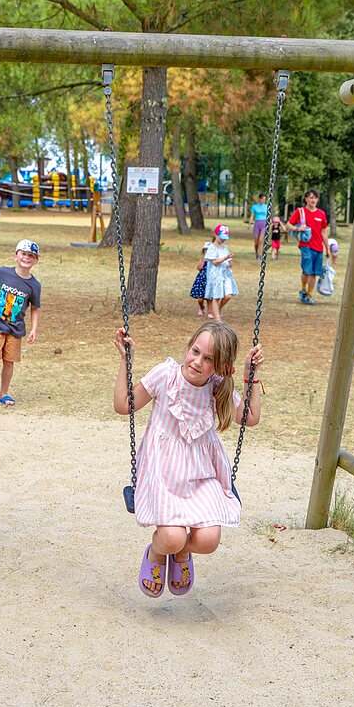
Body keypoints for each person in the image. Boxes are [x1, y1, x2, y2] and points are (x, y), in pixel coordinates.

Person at [113, 321, 265, 597]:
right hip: (163, 472)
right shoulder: (165, 376)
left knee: (208, 541)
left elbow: (249, 418)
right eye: (195, 351)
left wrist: (249, 376)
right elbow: (124, 405)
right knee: (171, 537)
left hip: (201, 473)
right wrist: (126, 360)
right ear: (189, 346)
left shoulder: (217, 388)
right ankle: (159, 553)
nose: (197, 362)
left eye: (208, 359)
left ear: (221, 368)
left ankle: (183, 549)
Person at [0, 239, 42, 408]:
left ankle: (4, 393)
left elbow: (35, 308)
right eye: (23, 254)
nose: (27, 258)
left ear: (36, 260)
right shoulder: (2, 273)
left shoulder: (34, 285)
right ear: (15, 256)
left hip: (15, 329)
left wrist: (34, 328)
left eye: (31, 256)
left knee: (9, 362)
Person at [288, 189, 328, 305]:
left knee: (314, 273)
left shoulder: (321, 214)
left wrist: (328, 249)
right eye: (310, 197)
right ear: (306, 199)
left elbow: (324, 232)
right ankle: (303, 290)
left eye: (315, 198)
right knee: (307, 271)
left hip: (318, 247)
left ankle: (309, 295)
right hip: (306, 246)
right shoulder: (300, 212)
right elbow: (288, 225)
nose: (313, 200)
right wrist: (297, 228)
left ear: (317, 200)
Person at [203, 224, 239, 322]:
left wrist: (230, 261)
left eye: (225, 238)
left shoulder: (225, 247)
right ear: (215, 235)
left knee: (228, 295)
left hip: (225, 274)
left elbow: (228, 261)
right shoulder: (212, 247)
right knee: (217, 296)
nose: (223, 240)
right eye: (221, 237)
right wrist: (225, 258)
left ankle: (217, 310)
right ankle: (218, 318)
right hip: (216, 275)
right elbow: (214, 262)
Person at [247, 193, 270, 257]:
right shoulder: (255, 207)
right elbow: (252, 216)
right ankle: (256, 252)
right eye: (263, 199)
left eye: (265, 199)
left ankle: (260, 254)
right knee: (256, 242)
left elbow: (269, 216)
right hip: (257, 224)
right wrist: (249, 224)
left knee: (261, 240)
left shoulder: (266, 206)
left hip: (264, 224)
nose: (264, 200)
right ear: (259, 199)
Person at [189, 243, 209, 317]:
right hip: (202, 279)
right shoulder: (203, 260)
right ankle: (201, 307)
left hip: (210, 280)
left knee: (209, 298)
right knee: (200, 299)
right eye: (205, 250)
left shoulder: (213, 261)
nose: (207, 251)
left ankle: (210, 312)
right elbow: (198, 268)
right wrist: (203, 262)